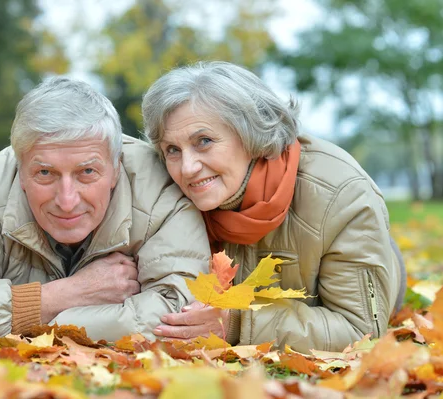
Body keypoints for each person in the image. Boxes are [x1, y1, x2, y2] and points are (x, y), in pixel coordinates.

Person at [0, 77, 210, 343]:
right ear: (21, 168)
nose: (67, 200)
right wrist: (61, 296)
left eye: (87, 173)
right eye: (45, 173)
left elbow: (181, 317)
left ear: (115, 167)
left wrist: (24, 324)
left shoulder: (158, 187)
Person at [142, 61, 406, 353]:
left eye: (204, 141)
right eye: (173, 150)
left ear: (250, 133)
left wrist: (236, 323)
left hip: (374, 271)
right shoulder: (165, 192)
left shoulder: (342, 194)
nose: (188, 168)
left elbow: (361, 329)